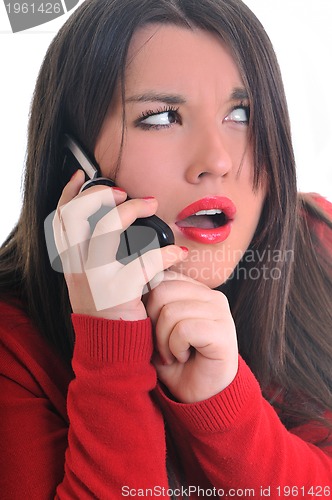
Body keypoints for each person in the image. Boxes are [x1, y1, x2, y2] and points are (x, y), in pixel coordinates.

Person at [0, 0, 331, 497]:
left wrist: (223, 404)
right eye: (160, 118)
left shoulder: (318, 238)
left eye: (240, 113)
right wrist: (110, 335)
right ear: (78, 165)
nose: (216, 160)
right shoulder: (13, 344)